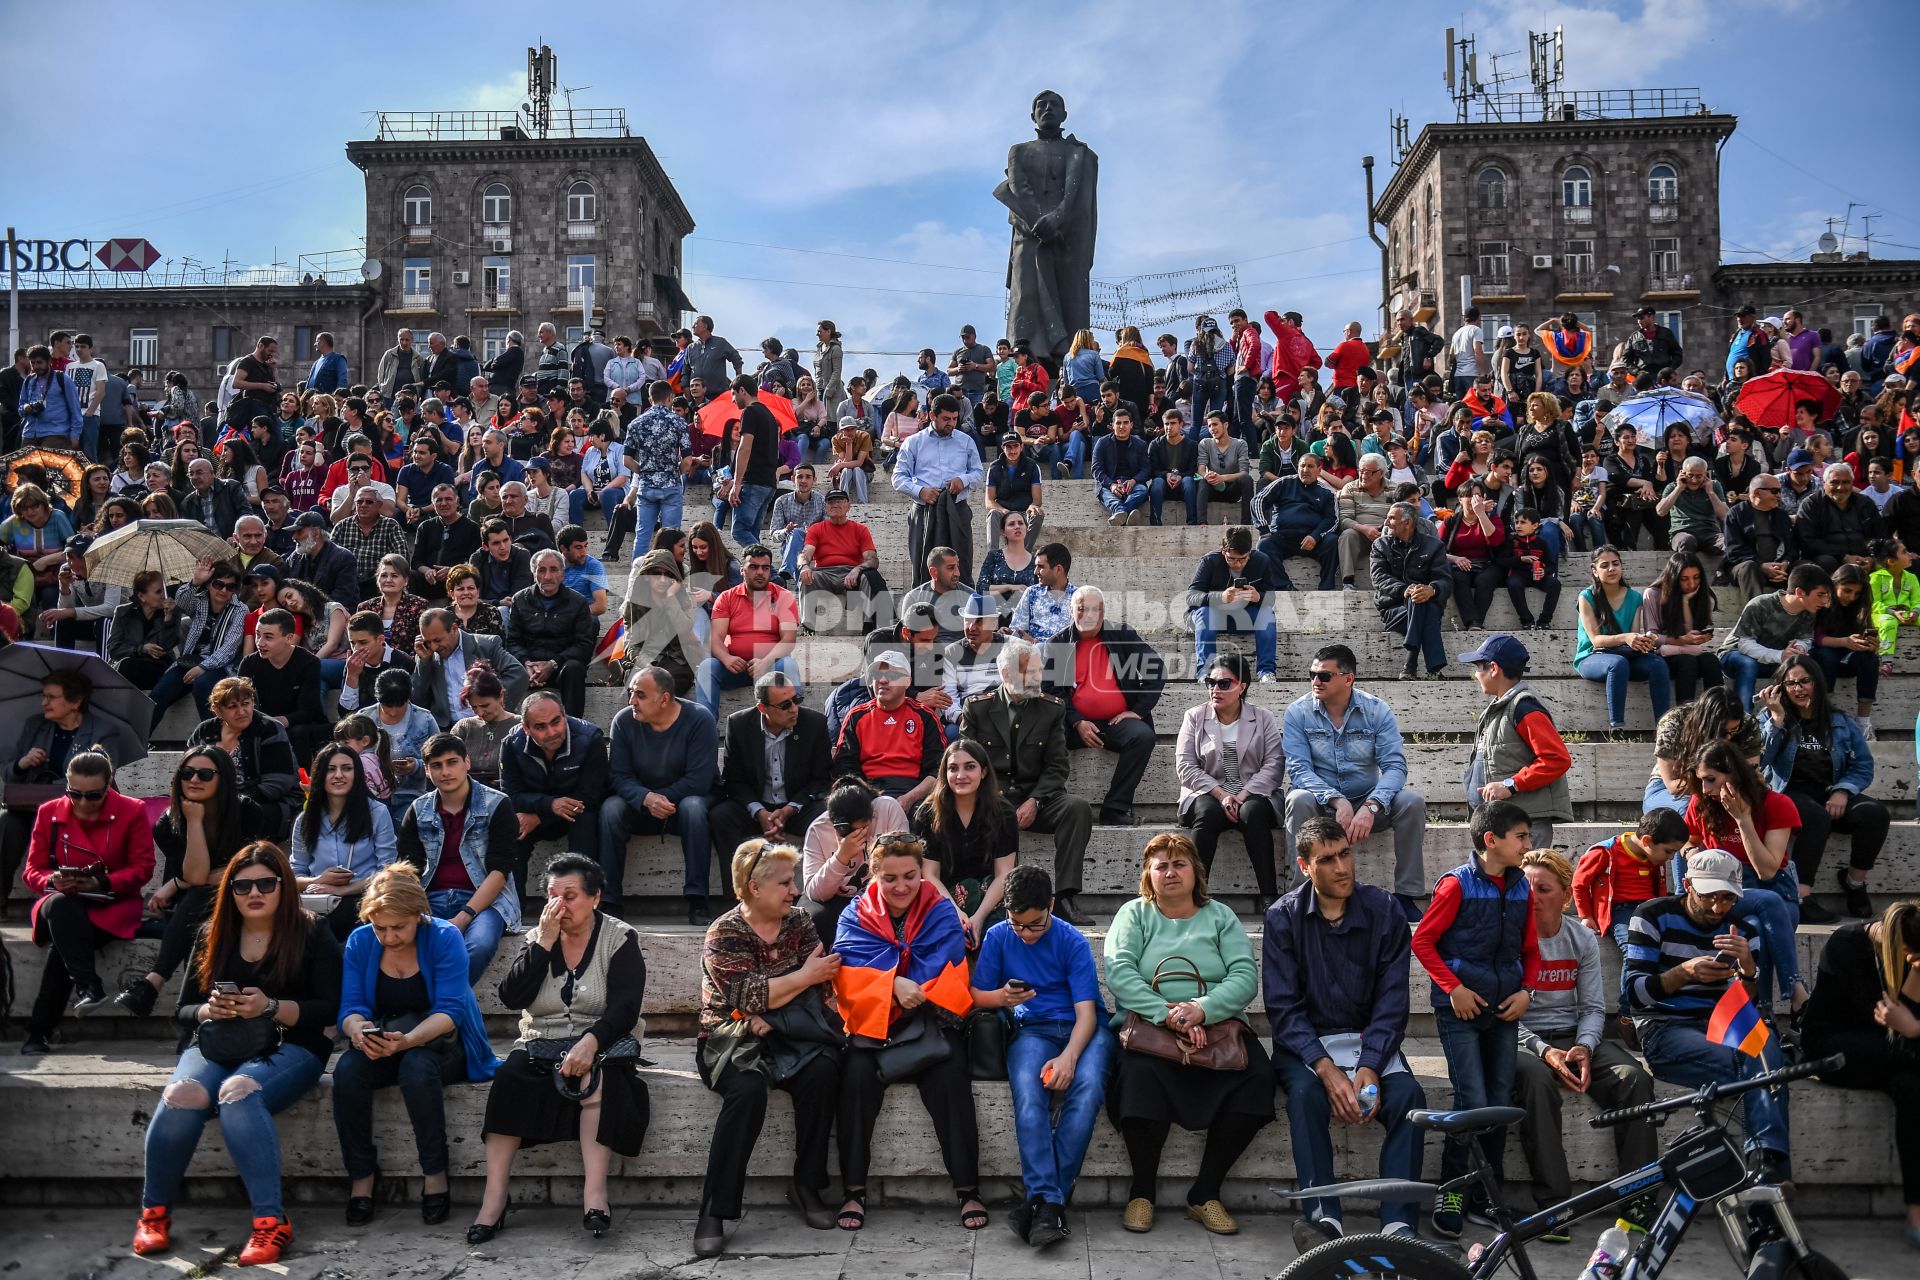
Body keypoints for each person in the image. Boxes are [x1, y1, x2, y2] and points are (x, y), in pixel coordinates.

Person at [132, 842, 340, 1268]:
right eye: (242, 886)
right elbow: (183, 1011)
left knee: (238, 1091)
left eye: (266, 882)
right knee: (181, 1095)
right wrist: (210, 1008)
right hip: (216, 1041)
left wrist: (270, 1006)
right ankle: (153, 1214)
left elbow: (331, 1008)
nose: (254, 893)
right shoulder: (214, 933)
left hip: (293, 1043)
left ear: (284, 885)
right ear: (230, 892)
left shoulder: (312, 929)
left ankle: (270, 1222)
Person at [469, 853, 648, 1244]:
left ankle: (595, 1195)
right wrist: (545, 943)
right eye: (552, 896)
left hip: (602, 1039)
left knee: (597, 1081)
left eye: (569, 896)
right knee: (508, 1081)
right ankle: (494, 1199)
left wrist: (590, 1042)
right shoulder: (540, 936)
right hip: (540, 1039)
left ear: (595, 897)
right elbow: (512, 996)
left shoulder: (619, 937)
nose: (559, 906)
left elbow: (625, 1007)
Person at [1266, 816, 1425, 1249]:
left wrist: (1370, 1065)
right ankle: (1323, 1221)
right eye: (1327, 860)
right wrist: (1327, 1070)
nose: (1341, 867)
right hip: (1308, 1046)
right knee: (1305, 1095)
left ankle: (1398, 1224)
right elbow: (1283, 1008)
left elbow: (1393, 1001)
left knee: (1410, 1099)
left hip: (1369, 1039)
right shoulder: (1283, 917)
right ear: (1305, 866)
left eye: (1345, 854)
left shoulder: (1385, 909)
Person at [1104, 832, 1271, 1235]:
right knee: (1139, 1078)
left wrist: (1202, 1010)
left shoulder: (1220, 916)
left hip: (1216, 1026)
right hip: (1149, 1025)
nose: (1170, 872)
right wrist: (1170, 1016)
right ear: (1148, 873)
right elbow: (1120, 973)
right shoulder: (1134, 914)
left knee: (1259, 1080)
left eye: (1179, 864)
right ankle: (1142, 1192)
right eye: (1160, 865)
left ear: (1196, 870)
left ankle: (1205, 1193)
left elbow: (1245, 976)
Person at [694, 840, 844, 1256]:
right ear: (754, 887)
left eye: (793, 880)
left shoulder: (799, 922)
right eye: (783, 882)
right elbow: (746, 996)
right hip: (729, 1037)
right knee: (746, 1091)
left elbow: (821, 982)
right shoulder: (725, 931)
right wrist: (801, 978)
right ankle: (715, 1210)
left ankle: (807, 1185)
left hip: (788, 1033)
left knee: (824, 1071)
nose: (794, 890)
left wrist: (776, 1002)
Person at [828, 831, 982, 1232]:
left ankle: (968, 1189)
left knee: (951, 1078)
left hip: (929, 1019)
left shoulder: (941, 910)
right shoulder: (854, 914)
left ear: (921, 873)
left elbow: (947, 966)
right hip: (870, 1025)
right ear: (874, 875)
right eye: (890, 878)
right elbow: (845, 971)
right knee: (855, 1078)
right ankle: (854, 1190)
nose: (901, 887)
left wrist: (895, 981)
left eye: (910, 876)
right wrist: (892, 984)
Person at [333, 864, 498, 1226]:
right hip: (386, 1039)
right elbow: (350, 1007)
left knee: (417, 1067)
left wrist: (407, 1041)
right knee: (346, 1071)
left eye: (398, 927)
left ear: (419, 916)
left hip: (441, 1043)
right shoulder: (361, 941)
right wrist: (359, 1031)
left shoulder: (444, 936)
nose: (389, 937)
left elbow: (451, 1011)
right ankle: (361, 1178)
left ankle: (435, 1175)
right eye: (380, 928)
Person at [1624, 848, 1794, 1189]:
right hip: (1665, 1027)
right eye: (1709, 897)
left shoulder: (1744, 929)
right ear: (1686, 885)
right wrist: (1683, 973)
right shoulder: (1651, 916)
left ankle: (1764, 1170)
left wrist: (1748, 970)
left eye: (1727, 899)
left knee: (1764, 1051)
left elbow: (1746, 1004)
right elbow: (1634, 995)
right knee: (1767, 1069)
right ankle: (1768, 1170)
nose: (1717, 908)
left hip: (1725, 1024)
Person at [1411, 800, 1540, 1236]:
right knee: (1472, 1100)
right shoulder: (1457, 886)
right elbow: (1424, 943)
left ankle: (1488, 1197)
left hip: (1505, 1011)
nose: (1528, 844)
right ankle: (1451, 1191)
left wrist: (1527, 992)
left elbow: (1531, 951)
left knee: (1500, 1101)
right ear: (1492, 840)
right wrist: (1454, 989)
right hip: (1460, 1011)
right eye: (1521, 837)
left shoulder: (1522, 886)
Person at [1511, 850, 1657, 1231]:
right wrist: (1544, 1052)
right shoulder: (1507, 938)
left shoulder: (1580, 938)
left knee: (1633, 1078)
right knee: (1538, 1082)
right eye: (1526, 887)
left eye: (1543, 889)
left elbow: (1593, 1007)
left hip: (1575, 1036)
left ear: (1564, 896)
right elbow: (1503, 1019)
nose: (1532, 896)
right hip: (1523, 1042)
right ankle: (1554, 1207)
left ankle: (1638, 1198)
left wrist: (1585, 1048)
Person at [971, 863, 1115, 1247]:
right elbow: (976, 995)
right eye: (1018, 923)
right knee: (1029, 1096)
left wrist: (1069, 1058)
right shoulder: (1000, 936)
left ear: (1051, 905)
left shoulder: (1071, 940)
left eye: (1035, 924)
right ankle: (1050, 1203)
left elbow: (1087, 1014)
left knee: (1085, 1092)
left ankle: (1040, 1201)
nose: (1026, 933)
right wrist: (1003, 997)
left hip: (1085, 1030)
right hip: (1032, 1030)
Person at [1800, 900, 1920, 1250]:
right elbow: (1888, 1020)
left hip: (1895, 1053)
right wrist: (1913, 1024)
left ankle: (1916, 1210)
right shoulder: (1847, 945)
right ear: (1898, 946)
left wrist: (1912, 1026)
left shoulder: (1910, 951)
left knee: (1912, 1087)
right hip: (1834, 1048)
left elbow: (1906, 1026)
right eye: (1912, 957)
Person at [1281, 644, 1429, 921]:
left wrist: (1372, 805)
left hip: (1367, 802)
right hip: (1321, 805)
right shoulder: (1298, 712)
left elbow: (1395, 767)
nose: (1315, 681)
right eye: (1312, 674)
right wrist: (1337, 800)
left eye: (1324, 676)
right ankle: (1300, 893)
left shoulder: (1377, 711)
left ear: (1348, 679)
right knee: (1297, 798)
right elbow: (1299, 769)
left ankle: (1407, 896)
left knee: (1412, 802)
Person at [17, 752, 153, 1052]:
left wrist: (101, 882)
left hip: (111, 904)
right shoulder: (49, 812)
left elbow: (143, 867)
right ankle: (87, 985)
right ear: (66, 785)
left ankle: (40, 1031)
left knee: (64, 944)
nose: (82, 802)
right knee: (62, 907)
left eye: (93, 795)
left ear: (109, 787)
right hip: (63, 901)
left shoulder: (131, 810)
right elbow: (32, 871)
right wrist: (52, 880)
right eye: (74, 793)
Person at [110, 750, 263, 1017]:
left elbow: (246, 871)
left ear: (222, 779)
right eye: (186, 773)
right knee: (202, 924)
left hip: (244, 897)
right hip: (192, 906)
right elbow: (198, 876)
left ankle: (154, 984)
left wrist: (175, 884)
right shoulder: (168, 824)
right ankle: (191, 1019)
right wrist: (193, 821)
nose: (194, 780)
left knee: (200, 901)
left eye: (205, 774)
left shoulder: (247, 811)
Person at [959, 637, 1096, 925]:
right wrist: (995, 799)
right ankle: (1002, 898)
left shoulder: (1051, 708)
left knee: (1077, 808)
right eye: (1029, 672)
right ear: (1007, 674)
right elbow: (968, 764)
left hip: (1037, 796)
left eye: (1038, 670)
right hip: (992, 799)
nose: (1038, 678)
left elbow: (1058, 765)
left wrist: (1036, 799)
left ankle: (1066, 898)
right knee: (996, 815)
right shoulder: (978, 708)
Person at [1756, 654, 1887, 925]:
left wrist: (1843, 791)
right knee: (1816, 817)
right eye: (1790, 684)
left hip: (1831, 792)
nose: (1798, 688)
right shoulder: (1770, 719)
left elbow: (1863, 765)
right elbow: (1760, 761)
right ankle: (1801, 896)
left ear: (1817, 681)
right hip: (1787, 793)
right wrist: (1777, 720)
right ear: (1781, 689)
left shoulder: (1841, 721)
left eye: (1805, 681)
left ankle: (1854, 882)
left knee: (1875, 813)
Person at [1681, 742, 1807, 1013]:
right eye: (1701, 781)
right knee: (1758, 919)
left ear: (1734, 775)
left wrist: (1743, 820)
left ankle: (1762, 1015)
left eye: (1711, 780)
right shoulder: (1702, 803)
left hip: (1776, 894)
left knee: (1757, 925)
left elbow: (1767, 871)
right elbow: (1688, 842)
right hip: (1726, 893)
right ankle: (1795, 992)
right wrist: (1694, 856)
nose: (1705, 790)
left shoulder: (1777, 804)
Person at [394, 732, 520, 984]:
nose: (445, 772)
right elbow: (408, 870)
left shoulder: (497, 804)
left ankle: (439, 1013)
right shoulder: (418, 810)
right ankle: (442, 1015)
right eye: (436, 766)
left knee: (478, 946)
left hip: (486, 902)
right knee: (405, 947)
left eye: (452, 762)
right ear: (427, 771)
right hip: (430, 898)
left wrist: (463, 917)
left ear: (467, 763)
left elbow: (499, 871)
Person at [599, 665, 719, 923]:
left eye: (640, 695)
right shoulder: (623, 720)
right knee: (610, 808)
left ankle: (698, 901)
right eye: (631, 693)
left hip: (685, 803)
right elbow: (618, 775)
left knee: (694, 807)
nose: (632, 701)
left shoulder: (700, 719)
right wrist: (646, 798)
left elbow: (699, 780)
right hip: (641, 803)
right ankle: (609, 902)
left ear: (664, 699)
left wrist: (660, 798)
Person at [1041, 586, 1162, 827]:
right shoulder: (1059, 644)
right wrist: (1077, 721)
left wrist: (1137, 711)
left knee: (1143, 736)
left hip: (1116, 722)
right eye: (1081, 609)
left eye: (1093, 609)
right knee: (1042, 734)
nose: (1087, 614)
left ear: (1103, 611)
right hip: (1073, 724)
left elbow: (1156, 669)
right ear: (1071, 610)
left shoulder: (1122, 635)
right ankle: (1055, 803)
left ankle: (1115, 808)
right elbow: (1051, 690)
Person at [1175, 651, 1284, 910]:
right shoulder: (1195, 716)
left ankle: (1270, 898)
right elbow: (1185, 766)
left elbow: (1274, 764)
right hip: (1206, 793)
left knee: (1254, 811)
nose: (1215, 689)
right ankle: (1194, 897)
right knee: (1208, 812)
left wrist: (1243, 794)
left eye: (1224, 684)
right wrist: (1222, 795)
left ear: (1242, 686)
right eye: (1211, 683)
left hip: (1251, 792)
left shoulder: (1263, 717)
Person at [1459, 633, 1572, 850]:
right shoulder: (1498, 708)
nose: (1476, 674)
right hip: (1502, 822)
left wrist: (1510, 785)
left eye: (1479, 667)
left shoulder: (1524, 707)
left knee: (1525, 882)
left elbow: (1557, 759)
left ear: (1494, 668)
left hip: (1525, 827)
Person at [712, 669, 833, 857]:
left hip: (798, 807)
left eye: (796, 700)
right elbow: (733, 780)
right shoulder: (739, 724)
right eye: (785, 705)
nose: (794, 709)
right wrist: (759, 812)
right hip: (756, 806)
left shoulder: (814, 724)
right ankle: (735, 886)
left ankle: (824, 884)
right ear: (763, 708)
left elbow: (821, 780)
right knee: (721, 815)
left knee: (828, 813)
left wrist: (788, 810)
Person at [499, 689, 607, 893]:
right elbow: (511, 796)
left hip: (577, 811)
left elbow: (591, 795)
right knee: (514, 826)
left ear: (565, 715)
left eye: (556, 722)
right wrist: (549, 806)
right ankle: (513, 912)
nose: (551, 732)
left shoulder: (590, 737)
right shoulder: (512, 743)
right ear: (526, 728)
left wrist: (542, 815)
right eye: (540, 726)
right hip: (534, 811)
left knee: (585, 819)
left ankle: (584, 901)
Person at [913, 738, 1018, 945]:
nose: (961, 776)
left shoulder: (1003, 812)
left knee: (993, 931)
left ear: (984, 772)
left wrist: (977, 919)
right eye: (953, 768)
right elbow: (930, 875)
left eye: (970, 767)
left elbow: (1004, 873)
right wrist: (955, 912)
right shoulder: (927, 813)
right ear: (945, 774)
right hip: (944, 894)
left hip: (990, 896)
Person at [290, 743, 399, 942]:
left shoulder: (377, 813)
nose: (338, 775)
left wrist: (342, 890)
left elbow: (387, 872)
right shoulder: (305, 820)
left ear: (357, 774)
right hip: (317, 902)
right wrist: (319, 880)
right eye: (330, 769)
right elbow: (295, 874)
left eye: (347, 768)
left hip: (366, 898)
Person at [697, 543, 801, 719]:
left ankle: (796, 723)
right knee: (707, 667)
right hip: (736, 667)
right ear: (742, 570)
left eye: (765, 568)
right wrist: (726, 658)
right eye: (753, 567)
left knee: (789, 665)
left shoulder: (784, 597)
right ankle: (704, 728)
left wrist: (765, 661)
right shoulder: (726, 598)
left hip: (772, 667)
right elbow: (716, 638)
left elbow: (788, 640)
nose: (760, 572)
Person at [1574, 546, 1672, 732]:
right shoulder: (1586, 596)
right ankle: (1616, 726)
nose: (1612, 569)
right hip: (1591, 657)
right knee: (1617, 663)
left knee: (1657, 664)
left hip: (1624, 656)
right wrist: (1626, 637)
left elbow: (1632, 636)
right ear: (1595, 571)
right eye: (1605, 565)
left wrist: (1641, 641)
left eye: (1616, 564)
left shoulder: (1634, 597)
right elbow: (1596, 641)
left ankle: (1664, 727)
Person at [799, 778, 911, 938]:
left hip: (882, 891)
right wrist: (841, 857)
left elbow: (904, 862)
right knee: (816, 916)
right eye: (854, 831)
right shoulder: (818, 829)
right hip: (836, 898)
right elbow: (815, 893)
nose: (861, 835)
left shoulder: (886, 808)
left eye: (865, 828)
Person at [1573, 808, 1691, 955]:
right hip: (1621, 911)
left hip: (1651, 909)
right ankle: (1636, 978)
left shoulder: (1654, 855)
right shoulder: (1605, 852)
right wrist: (1586, 916)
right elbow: (1579, 883)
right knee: (1634, 951)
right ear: (1647, 841)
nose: (1671, 858)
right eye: (1668, 851)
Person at [1718, 562, 1831, 712]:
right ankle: (1743, 717)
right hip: (1735, 655)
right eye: (1820, 595)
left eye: (1826, 595)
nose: (1824, 601)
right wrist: (1780, 655)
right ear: (1799, 592)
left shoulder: (1809, 611)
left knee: (1810, 663)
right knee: (1747, 663)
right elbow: (1744, 644)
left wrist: (1799, 648)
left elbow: (1806, 639)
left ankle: (1804, 715)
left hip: (1773, 659)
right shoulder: (1761, 604)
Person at [147, 558, 245, 728]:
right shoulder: (200, 599)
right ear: (209, 585)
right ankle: (137, 743)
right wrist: (196, 581)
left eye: (230, 587)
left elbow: (229, 649)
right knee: (158, 695)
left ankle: (215, 744)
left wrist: (203, 667)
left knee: (203, 686)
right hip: (189, 661)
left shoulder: (240, 609)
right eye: (218, 584)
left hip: (220, 666)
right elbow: (182, 602)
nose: (223, 590)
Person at [500, 548, 594, 717]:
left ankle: (573, 724)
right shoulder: (520, 600)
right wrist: (526, 663)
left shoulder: (578, 602)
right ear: (533, 574)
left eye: (553, 570)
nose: (548, 576)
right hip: (528, 667)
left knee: (574, 669)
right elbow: (513, 640)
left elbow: (583, 644)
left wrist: (552, 664)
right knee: (506, 670)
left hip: (561, 666)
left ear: (562, 574)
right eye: (541, 570)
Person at [1186, 525, 1280, 680]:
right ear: (1223, 551)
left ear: (1249, 552)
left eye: (1243, 559)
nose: (1238, 564)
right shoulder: (1210, 561)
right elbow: (1191, 597)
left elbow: (1271, 598)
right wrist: (1220, 597)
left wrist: (1258, 597)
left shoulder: (1262, 561)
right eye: (1232, 558)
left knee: (1267, 613)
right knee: (1204, 613)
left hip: (1243, 616)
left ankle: (1266, 672)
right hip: (1211, 617)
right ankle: (1205, 672)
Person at [237, 607, 329, 766]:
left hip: (299, 724)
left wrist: (284, 720)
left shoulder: (308, 663)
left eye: (268, 637)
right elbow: (240, 701)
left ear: (289, 638)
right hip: (262, 722)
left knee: (297, 732)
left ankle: (302, 786)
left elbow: (310, 710)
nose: (260, 643)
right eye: (258, 635)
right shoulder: (249, 663)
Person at [410, 608, 529, 730]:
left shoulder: (485, 645)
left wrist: (493, 706)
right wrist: (424, 662)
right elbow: (418, 700)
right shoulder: (427, 655)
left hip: (487, 724)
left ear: (454, 628)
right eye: (428, 642)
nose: (434, 647)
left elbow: (519, 675)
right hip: (447, 730)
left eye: (437, 640)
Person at [1371, 502, 1452, 678]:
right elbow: (1379, 579)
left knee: (1422, 602)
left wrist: (1432, 589)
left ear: (1407, 522)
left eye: (1391, 518)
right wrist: (1405, 590)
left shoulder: (1434, 546)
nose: (1385, 523)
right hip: (1393, 609)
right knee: (1421, 602)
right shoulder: (1380, 546)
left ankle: (1411, 666)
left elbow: (1445, 580)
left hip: (1426, 603)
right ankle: (1430, 667)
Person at [1638, 550, 1723, 704]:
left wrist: (1685, 604)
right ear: (1673, 578)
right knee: (1687, 661)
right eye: (1684, 579)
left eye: (1696, 578)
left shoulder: (1706, 597)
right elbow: (1652, 636)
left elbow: (1691, 636)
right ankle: (1684, 717)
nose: (1692, 584)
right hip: (1663, 655)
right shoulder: (1653, 594)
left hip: (1688, 651)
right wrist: (1679, 640)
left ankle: (1718, 715)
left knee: (1711, 660)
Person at [1255, 450, 1339, 590]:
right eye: (1302, 466)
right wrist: (1263, 530)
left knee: (1332, 540)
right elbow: (1258, 501)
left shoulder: (1327, 492)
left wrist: (1315, 536)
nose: (1305, 470)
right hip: (1282, 537)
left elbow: (1332, 519)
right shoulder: (1283, 483)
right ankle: (1285, 586)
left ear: (1319, 470)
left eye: (1310, 466)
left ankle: (1326, 586)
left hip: (1312, 541)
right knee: (1263, 546)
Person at [1796, 460, 1885, 572]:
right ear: (1824, 483)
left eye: (1846, 482)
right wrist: (1843, 557)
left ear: (1852, 483)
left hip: (1864, 557)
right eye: (1834, 482)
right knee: (1826, 562)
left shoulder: (1865, 503)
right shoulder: (1811, 505)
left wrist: (1872, 558)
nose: (1840, 487)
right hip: (1830, 558)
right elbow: (1808, 541)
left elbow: (1881, 534)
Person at [108, 570, 180, 690]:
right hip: (128, 665)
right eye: (158, 592)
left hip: (157, 668)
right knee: (127, 665)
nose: (164, 595)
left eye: (163, 589)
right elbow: (114, 649)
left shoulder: (172, 611)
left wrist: (168, 621)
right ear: (142, 596)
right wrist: (142, 649)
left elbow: (164, 648)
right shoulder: (123, 613)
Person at [285, 510, 361, 611]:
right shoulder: (294, 558)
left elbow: (341, 599)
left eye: (299, 531)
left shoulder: (343, 558)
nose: (294, 537)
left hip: (335, 617)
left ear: (316, 533)